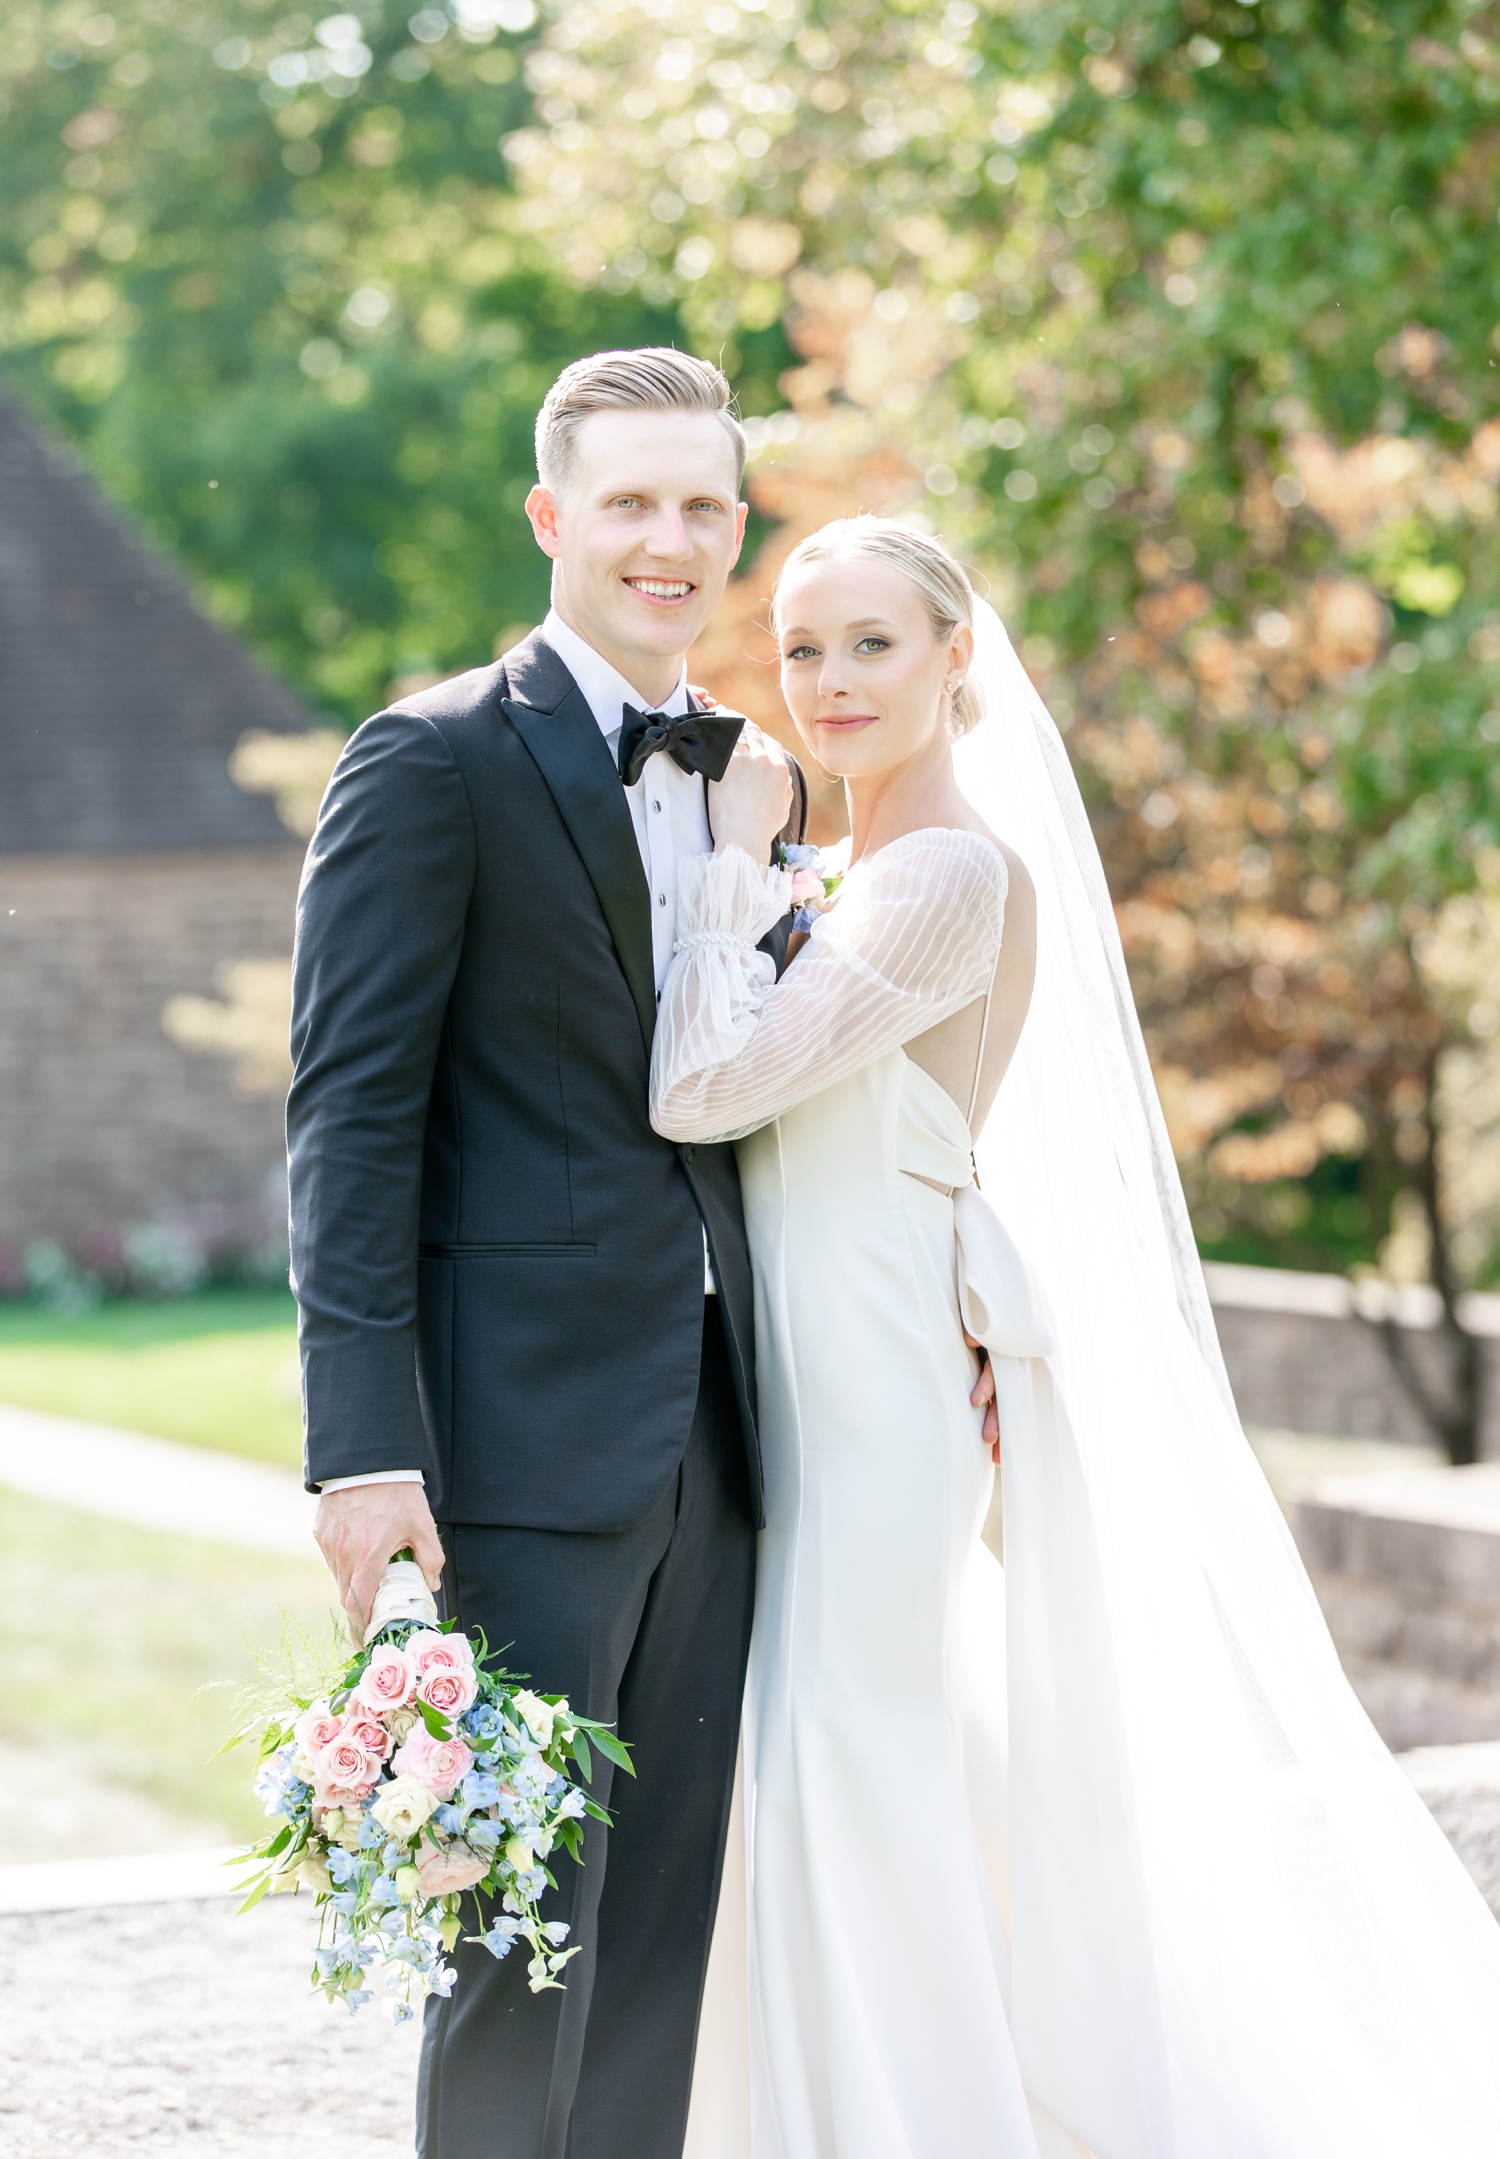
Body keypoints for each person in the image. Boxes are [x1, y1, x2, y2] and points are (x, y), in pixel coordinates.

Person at [649, 516, 1500, 2158]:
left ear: (956, 660)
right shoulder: (868, 871)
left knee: (840, 1730)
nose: (824, 683)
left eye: (870, 644)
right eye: (802, 647)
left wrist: (733, 857)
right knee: (839, 1731)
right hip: (816, 1348)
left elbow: (704, 1088)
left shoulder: (951, 874)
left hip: (874, 1362)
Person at [287, 347, 818, 2159]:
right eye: (630, 503)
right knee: (516, 1942)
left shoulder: (763, 782)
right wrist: (364, 1449)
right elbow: (347, 1123)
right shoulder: (428, 760)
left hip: (729, 1434)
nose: (668, 540)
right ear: (552, 519)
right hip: (513, 1447)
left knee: (666, 1927)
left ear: (735, 526)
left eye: (701, 505)